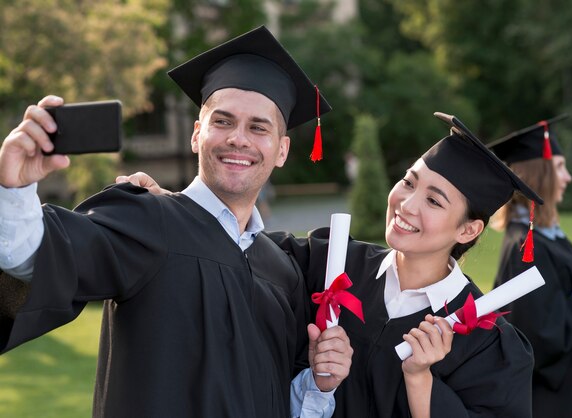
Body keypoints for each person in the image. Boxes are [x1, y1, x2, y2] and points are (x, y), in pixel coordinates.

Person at [0, 26, 353, 418]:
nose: (239, 138)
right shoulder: (147, 220)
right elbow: (37, 253)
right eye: (222, 122)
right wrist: (12, 189)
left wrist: (318, 385)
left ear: (282, 150)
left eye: (258, 127)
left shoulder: (282, 269)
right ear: (197, 134)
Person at [124, 112, 539, 417]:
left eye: (433, 200)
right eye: (410, 182)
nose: (407, 204)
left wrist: (420, 378)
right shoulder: (332, 264)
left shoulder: (489, 345)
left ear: (468, 230)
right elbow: (235, 249)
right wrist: (173, 207)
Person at [488, 116, 572, 418]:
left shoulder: (542, 236)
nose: (568, 177)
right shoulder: (524, 247)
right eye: (560, 167)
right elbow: (540, 334)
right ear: (540, 175)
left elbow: (558, 286)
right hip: (561, 400)